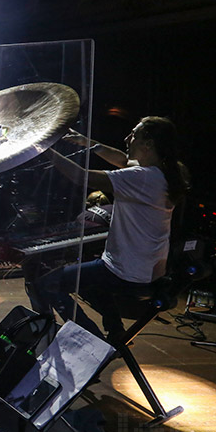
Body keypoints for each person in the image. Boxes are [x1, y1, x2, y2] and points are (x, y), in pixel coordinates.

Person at [35, 117, 187, 344]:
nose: (127, 138)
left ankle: (89, 342)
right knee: (91, 272)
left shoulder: (142, 178)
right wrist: (88, 142)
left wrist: (40, 147)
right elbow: (124, 160)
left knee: (45, 284)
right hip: (149, 271)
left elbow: (80, 176)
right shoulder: (168, 172)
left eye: (134, 134)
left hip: (127, 273)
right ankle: (115, 331)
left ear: (148, 144)